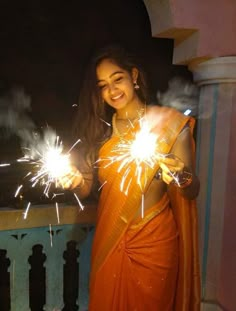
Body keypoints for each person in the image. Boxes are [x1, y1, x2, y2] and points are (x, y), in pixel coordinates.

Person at [64, 45, 201, 311]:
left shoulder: (169, 124)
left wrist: (180, 175)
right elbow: (86, 187)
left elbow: (191, 189)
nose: (113, 91)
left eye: (118, 79)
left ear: (134, 76)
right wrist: (75, 182)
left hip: (155, 243)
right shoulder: (99, 134)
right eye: (103, 85)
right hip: (111, 239)